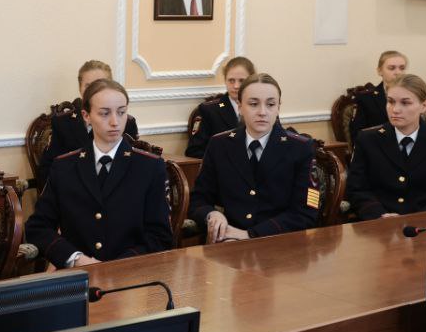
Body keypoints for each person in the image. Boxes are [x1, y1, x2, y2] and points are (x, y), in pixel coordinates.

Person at [26, 79, 173, 268]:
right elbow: (38, 227)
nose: (115, 122)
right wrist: (75, 259)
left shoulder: (149, 167)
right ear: (86, 116)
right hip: (79, 274)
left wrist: (114, 267)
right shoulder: (64, 167)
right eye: (104, 113)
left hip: (132, 275)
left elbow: (160, 237)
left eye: (121, 112)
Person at [189, 74, 319, 240]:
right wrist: (212, 214)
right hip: (229, 241)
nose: (262, 112)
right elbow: (198, 199)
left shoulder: (300, 148)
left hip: (280, 242)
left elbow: (305, 214)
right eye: (253, 104)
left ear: (278, 107)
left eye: (270, 104)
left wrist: (250, 235)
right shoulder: (219, 144)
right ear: (240, 107)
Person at [345, 73, 426, 220]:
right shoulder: (368, 139)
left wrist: (414, 219)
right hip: (378, 224)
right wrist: (379, 214)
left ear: (424, 106)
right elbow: (356, 189)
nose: (395, 109)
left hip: (423, 224)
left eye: (405, 103)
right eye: (390, 102)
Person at [35, 60, 140, 189]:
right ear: (80, 88)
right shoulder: (63, 124)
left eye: (100, 85)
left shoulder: (126, 123)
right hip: (73, 191)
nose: (94, 92)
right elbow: (48, 169)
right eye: (88, 86)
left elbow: (133, 168)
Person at [185, 56, 255, 158]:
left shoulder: (263, 108)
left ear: (251, 81)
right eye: (231, 80)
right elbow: (194, 151)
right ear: (225, 81)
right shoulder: (209, 111)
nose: (236, 86)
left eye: (241, 80)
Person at [348, 50, 408, 143]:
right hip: (379, 147)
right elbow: (357, 135)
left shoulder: (413, 96)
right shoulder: (365, 99)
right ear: (380, 71)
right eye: (392, 68)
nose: (398, 72)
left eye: (402, 68)